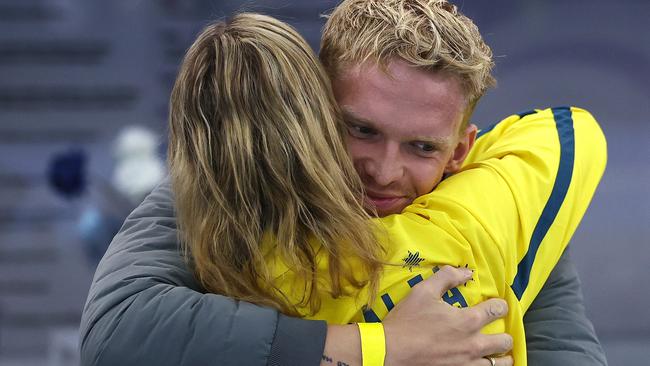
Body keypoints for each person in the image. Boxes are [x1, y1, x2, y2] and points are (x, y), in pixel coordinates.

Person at [80, 1, 608, 365]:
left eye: (421, 147)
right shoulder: (234, 184)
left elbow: (564, 349)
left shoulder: (497, 210)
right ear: (318, 107)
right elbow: (119, 331)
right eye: (361, 130)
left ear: (460, 150)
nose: (383, 169)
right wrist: (378, 351)